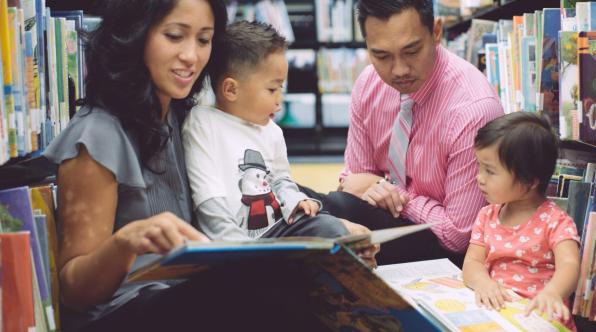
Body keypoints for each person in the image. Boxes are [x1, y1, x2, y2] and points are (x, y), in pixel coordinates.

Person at [43, 2, 372, 331]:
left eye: (204, 40)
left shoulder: (178, 117)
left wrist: (333, 219)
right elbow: (73, 290)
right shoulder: (97, 134)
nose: (191, 56)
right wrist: (127, 241)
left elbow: (249, 185)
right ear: (134, 34)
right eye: (174, 36)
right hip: (128, 311)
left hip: (188, 286)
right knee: (268, 288)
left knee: (339, 225)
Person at [300, 0, 503, 266]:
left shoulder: (472, 109)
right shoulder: (368, 84)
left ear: (436, 32)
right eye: (382, 56)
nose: (399, 70)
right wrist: (373, 188)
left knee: (334, 209)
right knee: (297, 202)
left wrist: (398, 198)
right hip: (389, 224)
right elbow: (355, 182)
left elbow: (458, 234)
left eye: (412, 50)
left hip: (446, 250)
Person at [181, 21, 375, 256]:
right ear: (231, 90)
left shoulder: (272, 131)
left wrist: (296, 200)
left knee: (332, 228)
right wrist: (238, 249)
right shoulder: (203, 122)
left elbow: (281, 180)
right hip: (230, 241)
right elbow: (207, 197)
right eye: (272, 89)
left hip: (278, 230)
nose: (279, 101)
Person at [462, 112, 580, 330]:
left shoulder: (555, 222)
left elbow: (570, 264)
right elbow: (472, 263)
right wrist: (483, 283)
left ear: (529, 180)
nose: (479, 177)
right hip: (498, 312)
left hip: (539, 316)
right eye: (479, 166)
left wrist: (553, 292)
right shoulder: (486, 216)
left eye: (489, 171)